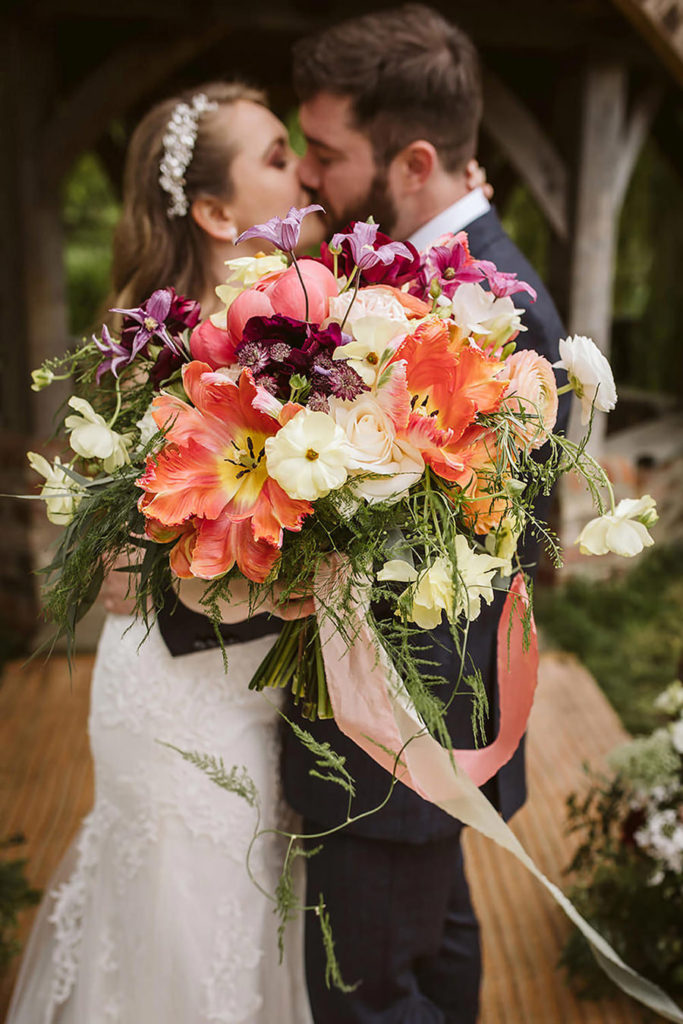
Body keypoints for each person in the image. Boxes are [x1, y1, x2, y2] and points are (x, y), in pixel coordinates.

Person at [278, 6, 573, 1023]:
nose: (308, 176)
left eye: (325, 152)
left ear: (410, 159)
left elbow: (506, 529)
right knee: (434, 949)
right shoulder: (412, 268)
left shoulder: (501, 308)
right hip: (402, 714)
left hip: (408, 712)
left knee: (365, 994)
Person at [7, 81, 320, 1024]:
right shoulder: (164, 350)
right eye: (275, 156)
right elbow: (151, 546)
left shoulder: (321, 333)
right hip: (178, 699)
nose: (300, 169)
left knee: (249, 934)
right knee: (183, 947)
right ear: (217, 211)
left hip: (257, 697)